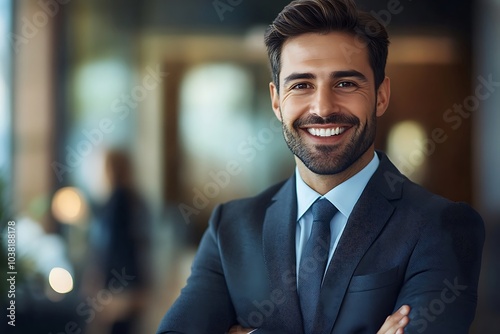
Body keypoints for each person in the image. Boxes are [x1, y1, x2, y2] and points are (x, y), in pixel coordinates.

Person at [156, 0, 485, 333]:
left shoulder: (442, 228)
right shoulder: (231, 228)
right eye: (301, 85)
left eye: (345, 84)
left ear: (381, 95)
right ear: (276, 101)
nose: (323, 108)